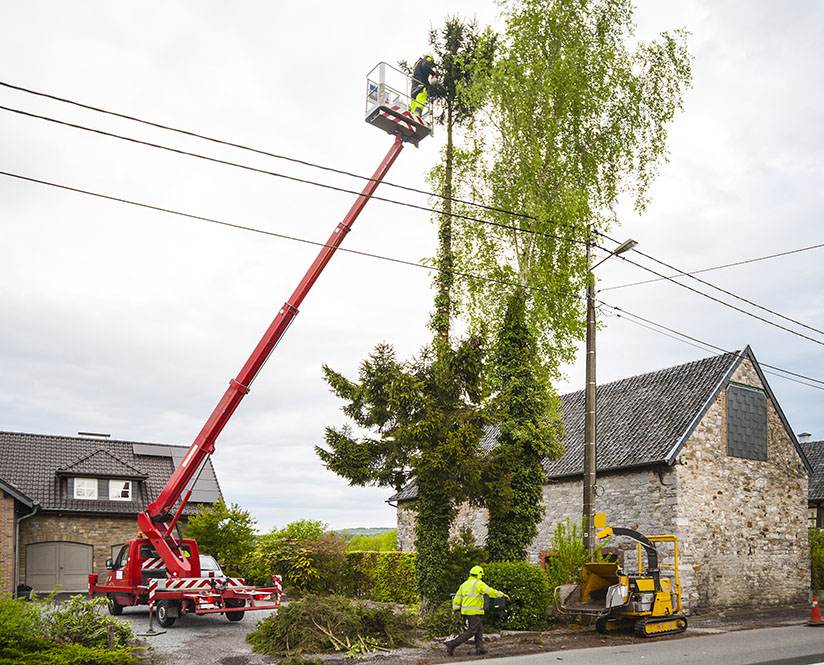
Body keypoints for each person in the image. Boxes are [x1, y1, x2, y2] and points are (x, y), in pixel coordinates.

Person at [445, 566, 508, 656]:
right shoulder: (478, 584)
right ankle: (452, 644)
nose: (482, 576)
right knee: (472, 631)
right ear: (479, 574)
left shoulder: (464, 584)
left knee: (479, 630)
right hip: (473, 612)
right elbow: (490, 591)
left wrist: (456, 609)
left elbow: (457, 598)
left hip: (466, 611)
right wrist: (501, 594)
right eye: (481, 575)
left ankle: (480, 648)